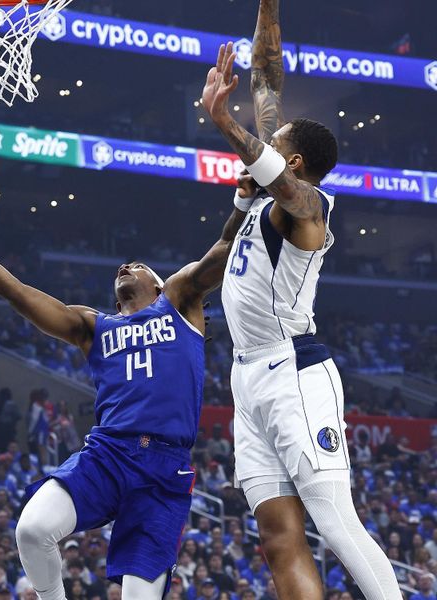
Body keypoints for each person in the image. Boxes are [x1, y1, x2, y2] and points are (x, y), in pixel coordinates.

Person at [0, 178, 247, 600]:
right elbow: (16, 293)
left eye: (136, 264)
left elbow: (225, 245)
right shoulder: (93, 326)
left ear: (159, 283)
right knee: (32, 529)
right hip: (108, 454)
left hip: (164, 471)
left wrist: (245, 198)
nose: (122, 268)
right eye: (121, 268)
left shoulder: (181, 302)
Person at [200, 2, 400, 597]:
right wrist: (267, 6)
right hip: (247, 377)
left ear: (292, 163)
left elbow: (284, 182)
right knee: (277, 537)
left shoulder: (311, 208)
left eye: (273, 142)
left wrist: (224, 124)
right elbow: (266, 79)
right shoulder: (267, 192)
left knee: (336, 522)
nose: (266, 132)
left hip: (295, 370)